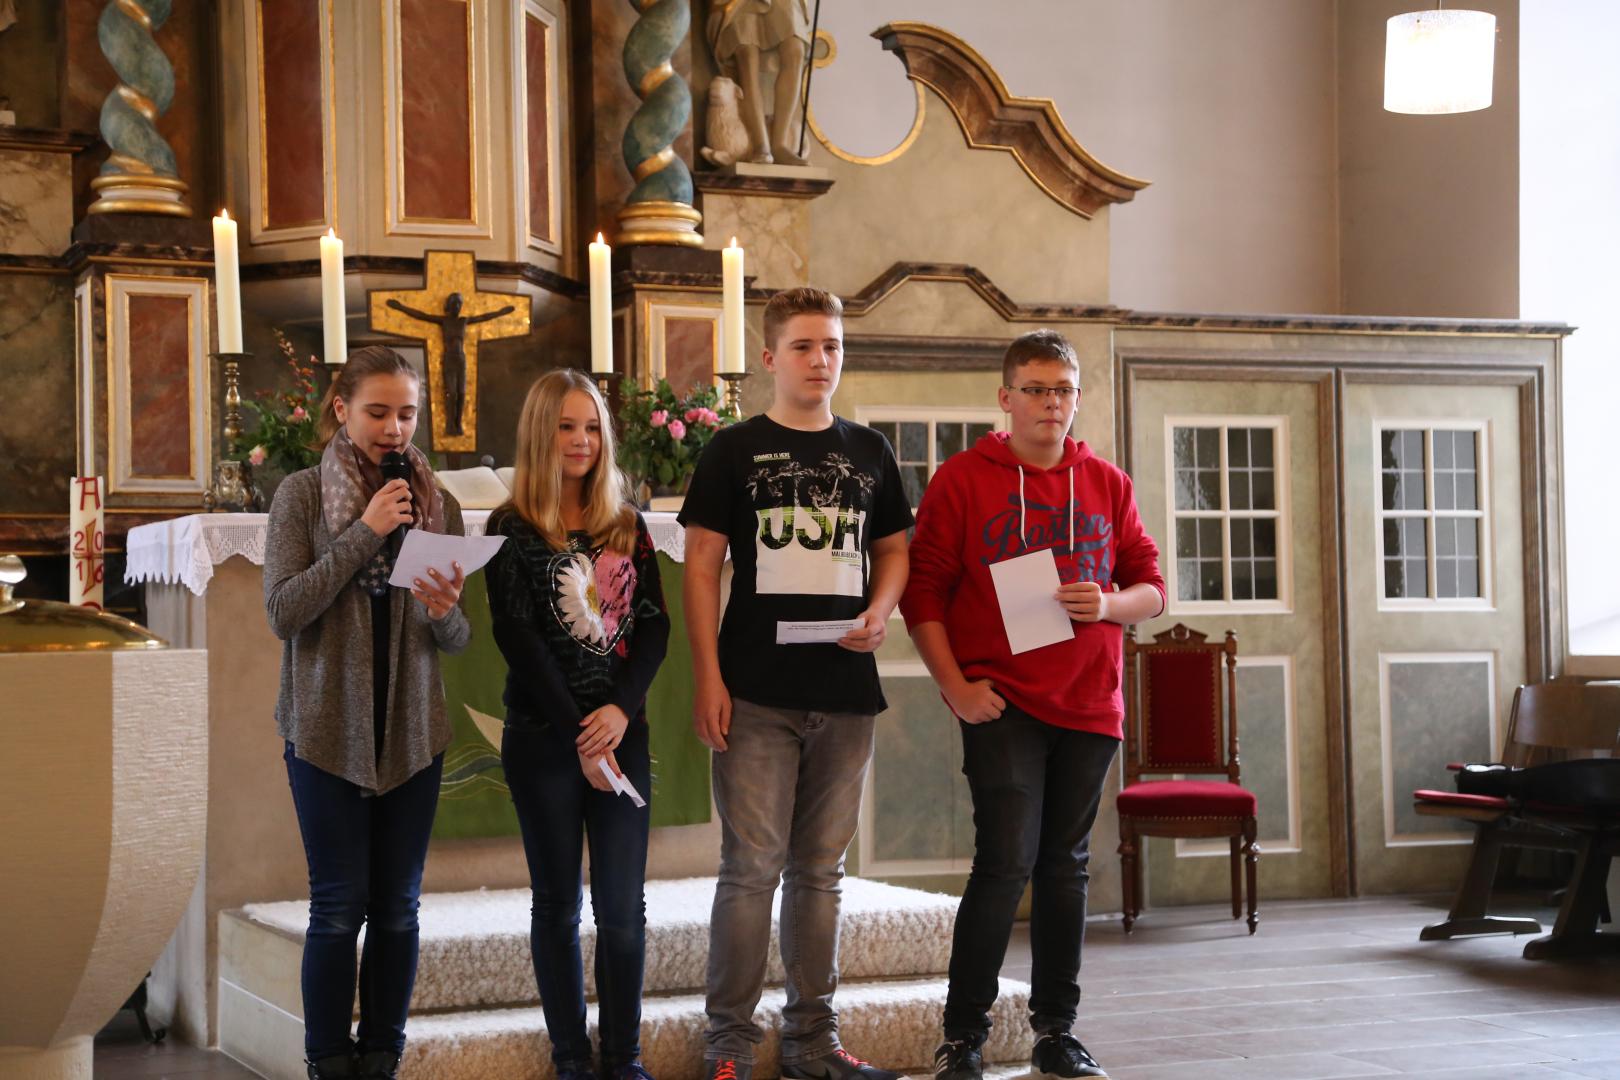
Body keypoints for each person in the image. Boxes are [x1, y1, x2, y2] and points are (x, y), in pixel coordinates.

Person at [898, 330, 1167, 1080]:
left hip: (1090, 704)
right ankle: (964, 1036)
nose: (1052, 404)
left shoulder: (1108, 483)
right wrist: (954, 685)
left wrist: (1110, 604)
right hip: (1002, 702)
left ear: (1077, 399)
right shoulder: (963, 478)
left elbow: (1152, 585)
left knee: (1065, 869)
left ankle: (1056, 1031)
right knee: (1005, 860)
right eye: (1038, 389)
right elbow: (925, 591)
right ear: (1006, 398)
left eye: (1064, 391)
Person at [679, 286, 914, 1080]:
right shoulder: (733, 450)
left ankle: (813, 1044)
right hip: (755, 689)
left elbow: (895, 553)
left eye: (834, 347)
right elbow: (703, 566)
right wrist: (708, 675)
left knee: (821, 872)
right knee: (750, 869)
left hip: (845, 691)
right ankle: (730, 1046)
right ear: (771, 358)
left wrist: (882, 610)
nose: (822, 361)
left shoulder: (870, 451)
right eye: (806, 347)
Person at [263, 345, 472, 1080]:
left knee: (398, 910)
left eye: (406, 414)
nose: (393, 429)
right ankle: (328, 1062)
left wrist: (445, 610)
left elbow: (455, 635)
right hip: (325, 730)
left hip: (412, 730)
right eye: (377, 412)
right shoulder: (299, 496)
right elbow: (284, 613)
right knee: (337, 908)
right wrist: (367, 534)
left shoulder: (432, 494)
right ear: (341, 409)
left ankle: (382, 1056)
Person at [485, 369, 670, 1080]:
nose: (582, 440)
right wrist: (578, 732)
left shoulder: (626, 523)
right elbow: (518, 636)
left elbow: (652, 630)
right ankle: (571, 1058)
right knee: (558, 903)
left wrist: (618, 712)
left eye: (591, 426)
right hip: (544, 739)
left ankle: (623, 1059)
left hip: (624, 735)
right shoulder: (512, 528)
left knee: (622, 909)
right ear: (541, 433)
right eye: (566, 426)